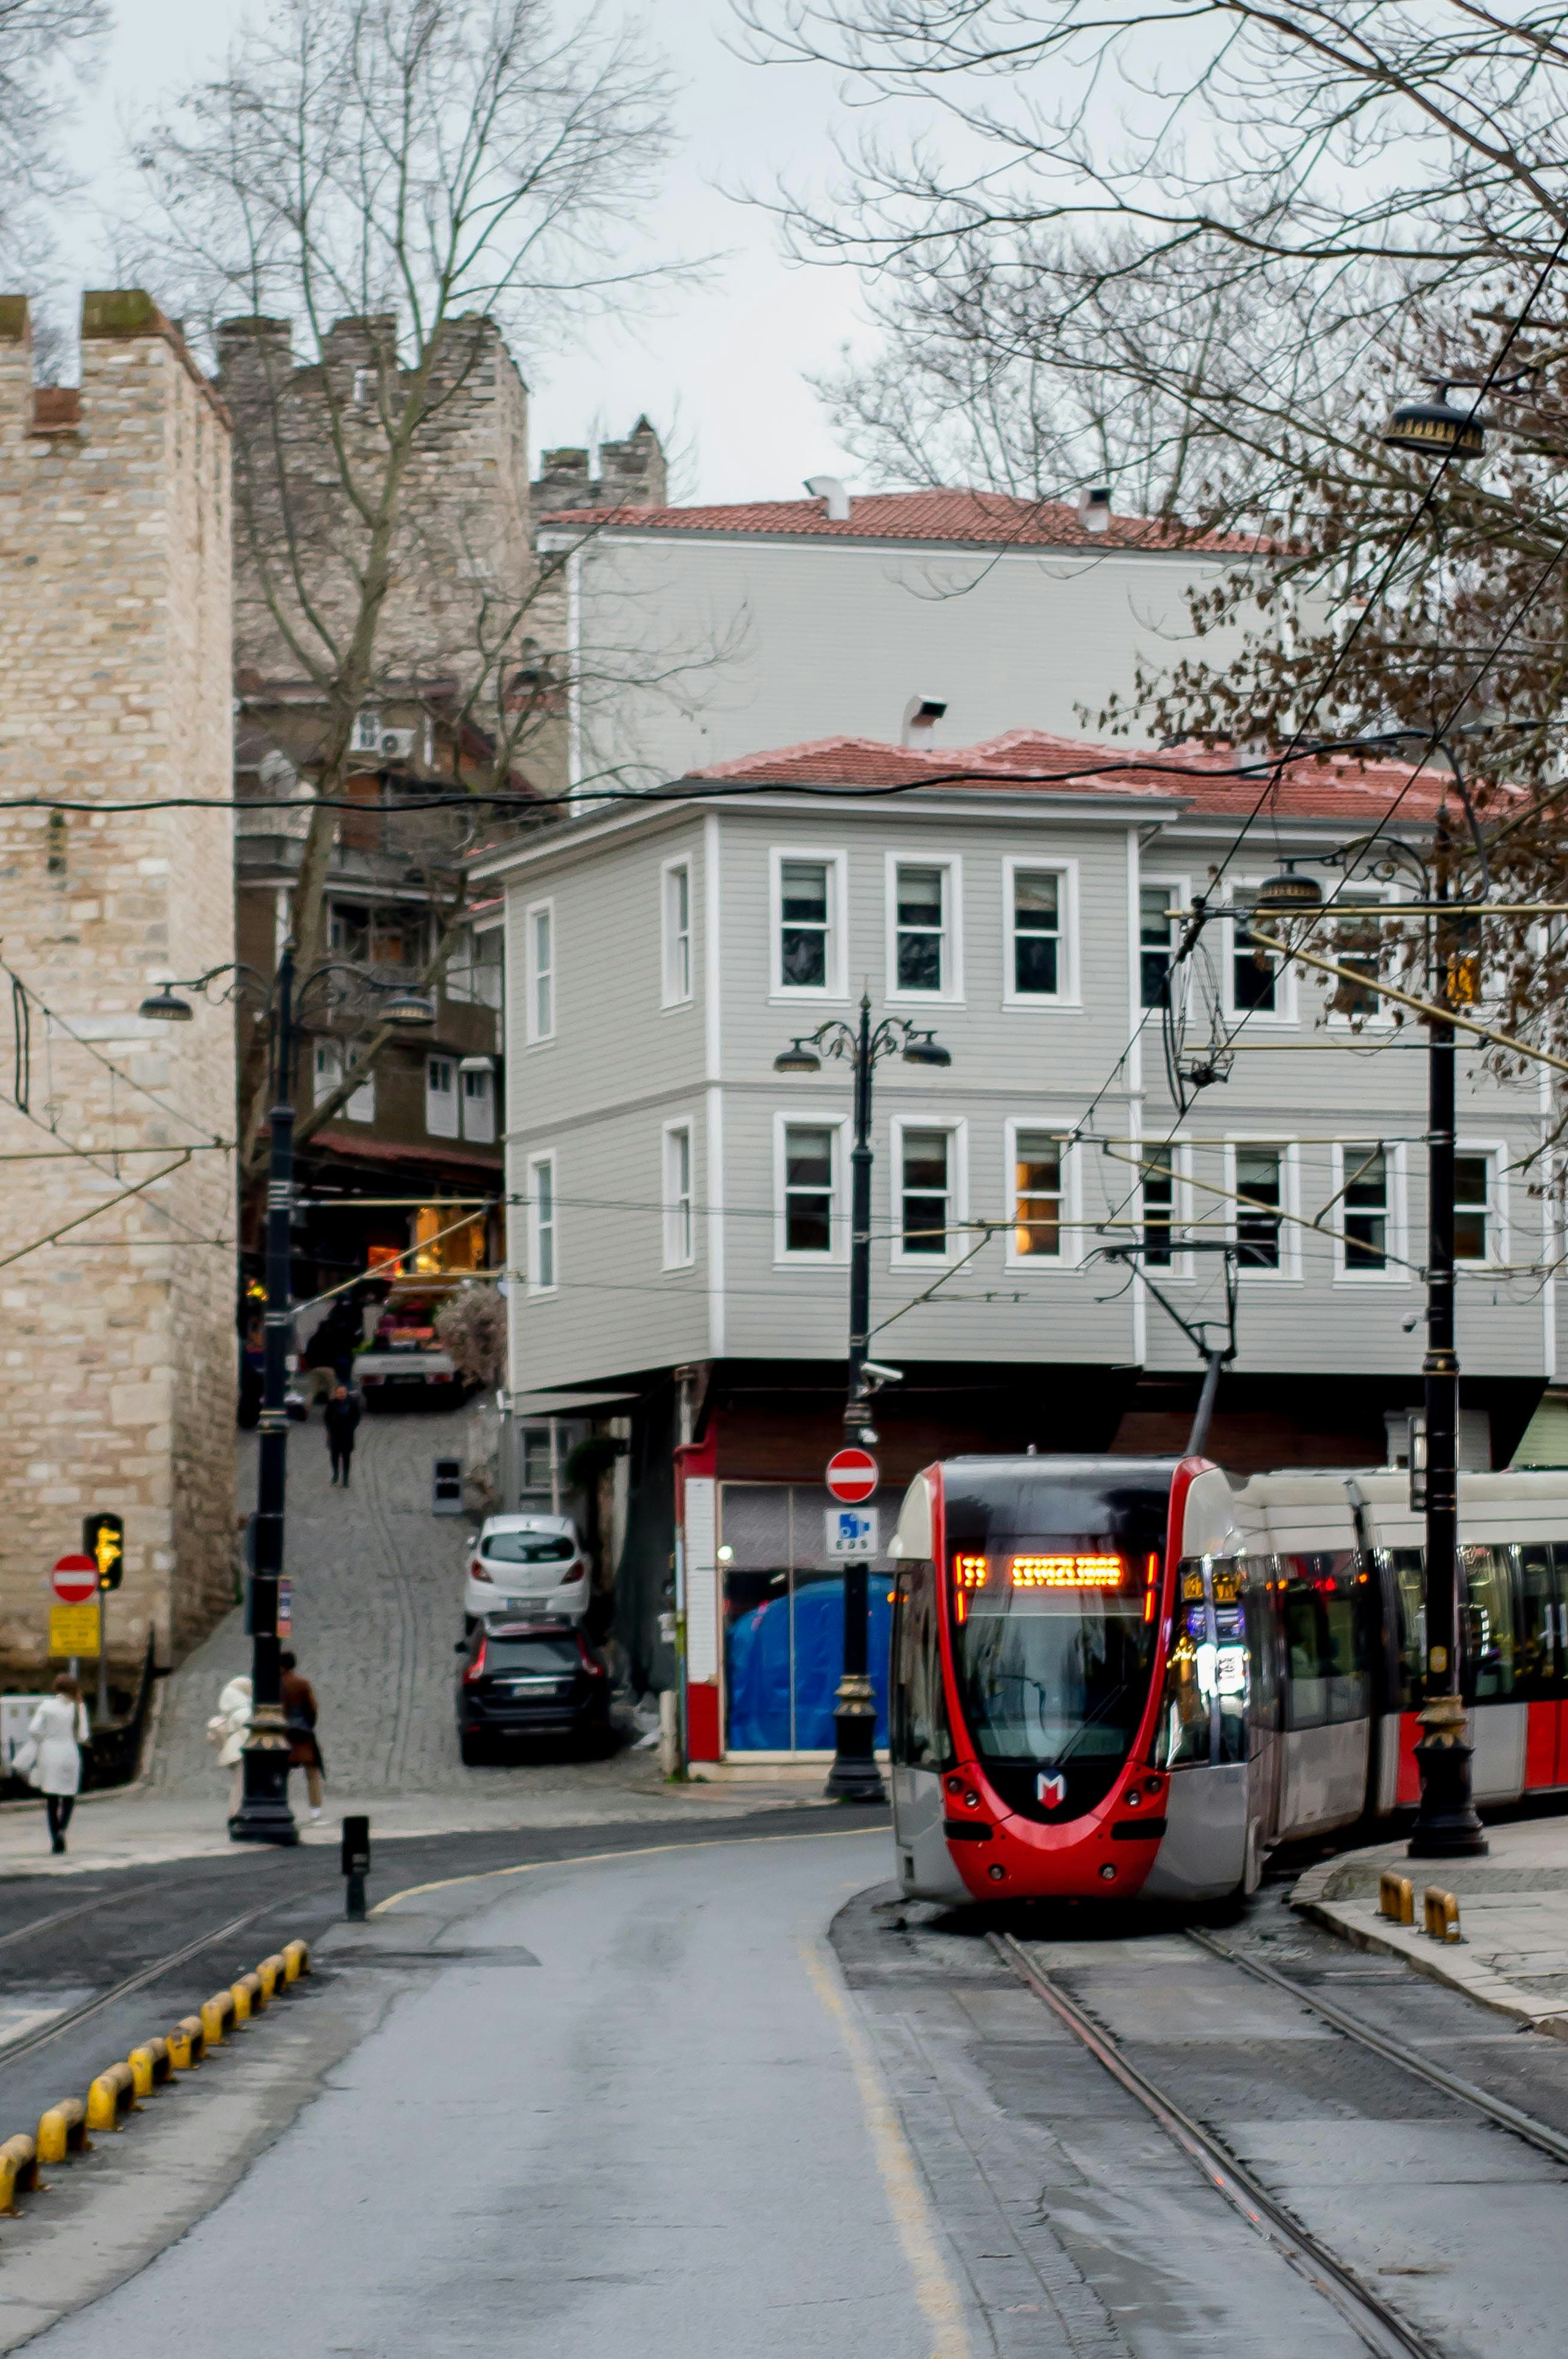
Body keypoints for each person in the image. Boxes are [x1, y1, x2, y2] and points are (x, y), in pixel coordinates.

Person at [26, 1675, 89, 1855]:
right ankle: (62, 1828)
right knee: (69, 1795)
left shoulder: (46, 1706)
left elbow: (34, 1729)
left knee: (52, 1797)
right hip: (69, 1751)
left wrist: (47, 1736)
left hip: (50, 1752)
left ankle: (55, 1837)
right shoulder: (79, 1708)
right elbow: (83, 1736)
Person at [280, 1649, 324, 1820]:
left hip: (283, 1733)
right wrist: (309, 1724)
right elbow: (312, 1708)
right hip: (303, 1733)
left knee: (282, 1773)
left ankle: (282, 1804)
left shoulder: (275, 1684)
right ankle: (315, 1810)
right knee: (312, 1773)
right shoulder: (302, 1683)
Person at [205, 1671, 252, 1815]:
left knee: (240, 1782)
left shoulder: (231, 1712)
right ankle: (236, 1812)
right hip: (243, 1752)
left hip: (233, 1752)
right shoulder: (244, 1711)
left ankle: (236, 1811)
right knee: (242, 1783)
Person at [323, 1381, 361, 1486]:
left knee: (346, 1457)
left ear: (346, 1393)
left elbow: (357, 1417)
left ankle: (345, 1478)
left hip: (347, 1434)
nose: (341, 1394)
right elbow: (326, 1418)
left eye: (343, 1392)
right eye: (339, 1392)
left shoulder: (352, 1403)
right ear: (336, 1393)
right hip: (335, 1434)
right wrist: (330, 1429)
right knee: (334, 1456)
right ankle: (336, 1474)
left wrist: (352, 1427)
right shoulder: (332, 1404)